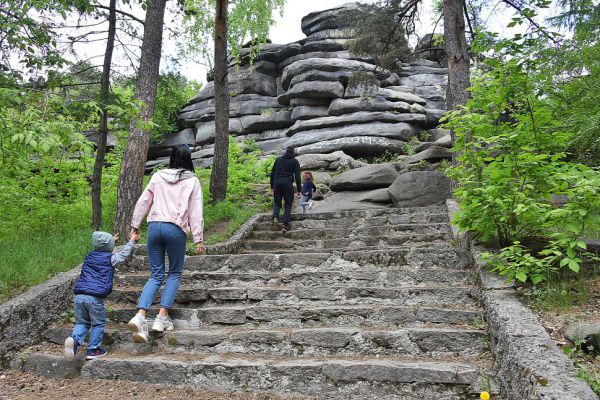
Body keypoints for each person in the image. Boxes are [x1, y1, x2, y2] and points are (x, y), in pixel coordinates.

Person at [127, 144, 205, 343]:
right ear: (189, 159)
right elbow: (196, 210)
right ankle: (161, 318)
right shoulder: (192, 180)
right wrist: (198, 238)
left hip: (154, 226)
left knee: (156, 274)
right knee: (175, 273)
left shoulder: (158, 176)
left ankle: (141, 315)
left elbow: (144, 201)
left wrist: (135, 225)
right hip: (175, 228)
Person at [64, 230, 139, 361]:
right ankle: (93, 349)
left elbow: (102, 248)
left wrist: (110, 243)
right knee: (98, 323)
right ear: (110, 246)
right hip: (93, 298)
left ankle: (74, 342)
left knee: (83, 322)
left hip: (79, 296)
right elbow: (124, 254)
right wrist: (132, 240)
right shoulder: (111, 258)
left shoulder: (89, 256)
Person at [270, 146, 301, 232]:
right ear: (293, 152)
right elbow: (297, 177)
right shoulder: (295, 161)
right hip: (287, 183)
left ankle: (275, 217)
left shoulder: (278, 159)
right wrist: (299, 190)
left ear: (286, 151)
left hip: (277, 182)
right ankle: (285, 224)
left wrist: (272, 187)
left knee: (277, 203)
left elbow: (272, 173)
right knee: (288, 204)